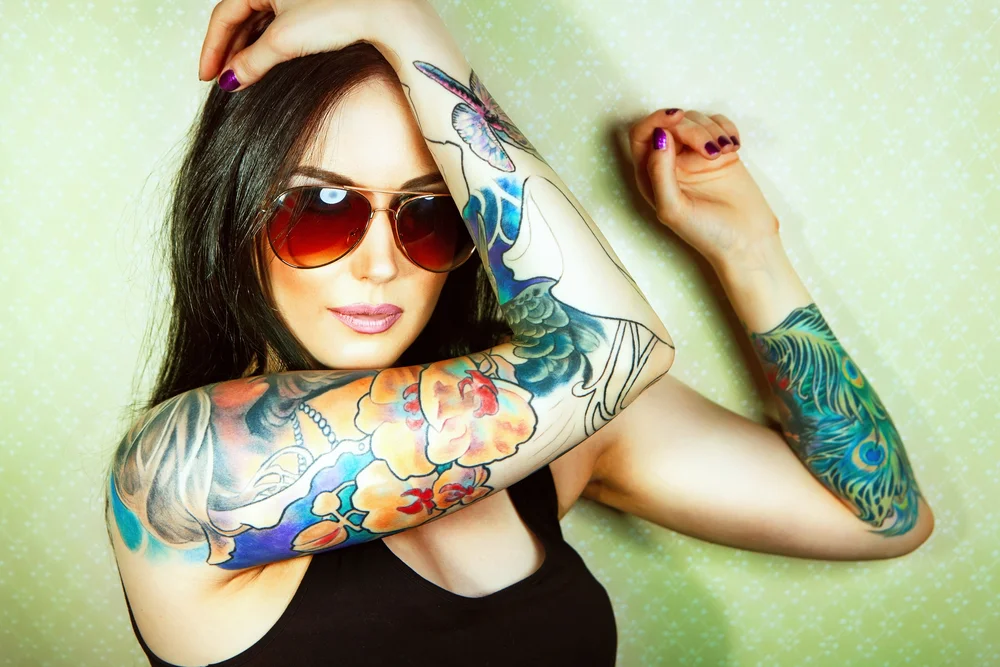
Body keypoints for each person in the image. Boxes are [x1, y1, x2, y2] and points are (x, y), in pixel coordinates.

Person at [104, 1, 935, 665]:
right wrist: (405, 22)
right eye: (321, 207)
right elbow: (612, 350)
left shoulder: (555, 427)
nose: (381, 265)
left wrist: (748, 250)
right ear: (234, 215)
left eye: (431, 213)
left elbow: (883, 515)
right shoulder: (188, 473)